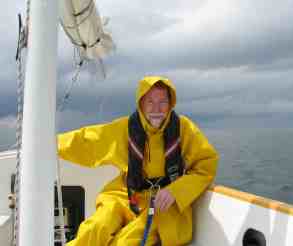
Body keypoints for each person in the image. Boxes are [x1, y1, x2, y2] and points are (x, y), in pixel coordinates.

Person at [58, 76, 219, 246]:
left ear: (171, 104)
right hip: (127, 194)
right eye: (150, 102)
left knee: (126, 242)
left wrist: (175, 191)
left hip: (164, 204)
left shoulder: (184, 129)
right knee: (95, 229)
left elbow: (206, 165)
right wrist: (49, 144)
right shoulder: (126, 128)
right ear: (141, 103)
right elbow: (88, 141)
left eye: (163, 102)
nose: (156, 108)